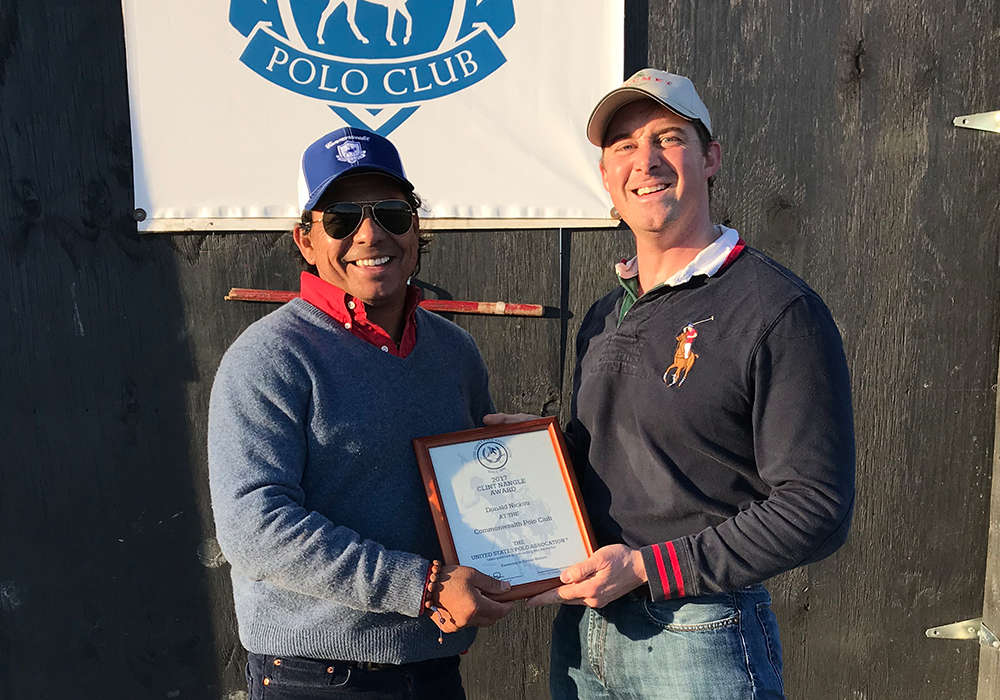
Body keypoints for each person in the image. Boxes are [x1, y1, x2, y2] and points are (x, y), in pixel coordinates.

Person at [486, 69, 855, 698]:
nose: (646, 161)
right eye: (624, 146)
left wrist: (648, 568)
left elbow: (815, 508)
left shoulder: (774, 309)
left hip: (697, 634)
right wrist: (529, 455)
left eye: (669, 138)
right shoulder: (606, 313)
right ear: (605, 174)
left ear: (710, 158)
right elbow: (628, 463)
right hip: (584, 630)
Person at [209, 126, 512, 699]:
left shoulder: (454, 353)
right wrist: (422, 586)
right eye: (342, 218)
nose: (371, 233)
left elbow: (477, 502)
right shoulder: (269, 356)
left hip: (433, 667)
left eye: (393, 214)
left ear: (417, 229)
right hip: (316, 675)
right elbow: (255, 527)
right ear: (305, 239)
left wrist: (519, 464)